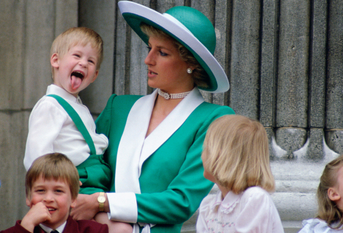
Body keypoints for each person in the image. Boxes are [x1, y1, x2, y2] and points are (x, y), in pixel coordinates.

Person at [70, 2, 234, 233]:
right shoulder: (119, 107)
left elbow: (182, 201)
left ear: (191, 63)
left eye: (162, 52)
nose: (148, 59)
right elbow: (86, 171)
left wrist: (104, 202)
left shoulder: (215, 120)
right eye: (150, 48)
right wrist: (94, 210)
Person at [23, 27, 111, 195]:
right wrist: (53, 187)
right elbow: (36, 156)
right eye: (77, 56)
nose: (83, 63)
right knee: (113, 221)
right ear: (56, 60)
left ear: (94, 76)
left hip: (93, 179)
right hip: (74, 182)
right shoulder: (50, 105)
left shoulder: (78, 106)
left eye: (91, 61)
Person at [196, 115, 284, 233]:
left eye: (206, 148)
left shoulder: (254, 198)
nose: (201, 154)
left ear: (220, 155)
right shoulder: (209, 207)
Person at [1, 153, 108, 233]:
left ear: (74, 199)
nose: (48, 198)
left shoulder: (94, 231)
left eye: (58, 191)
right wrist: (26, 226)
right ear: (28, 197)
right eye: (40, 190)